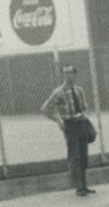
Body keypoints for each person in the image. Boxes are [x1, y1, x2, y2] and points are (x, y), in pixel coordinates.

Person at [39, 63, 95, 196]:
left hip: (81, 123)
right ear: (62, 75)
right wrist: (59, 120)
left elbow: (85, 106)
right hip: (70, 126)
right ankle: (79, 188)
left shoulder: (79, 90)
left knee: (83, 156)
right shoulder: (59, 92)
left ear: (75, 74)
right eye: (65, 73)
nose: (68, 76)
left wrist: (84, 113)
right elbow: (45, 109)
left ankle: (84, 185)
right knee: (74, 156)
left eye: (70, 73)